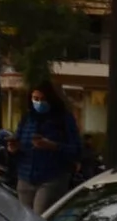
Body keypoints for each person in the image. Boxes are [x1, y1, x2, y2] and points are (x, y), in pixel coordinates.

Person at [15, 81, 83, 210]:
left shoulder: (63, 119)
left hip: (52, 178)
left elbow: (76, 149)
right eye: (36, 99)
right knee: (25, 219)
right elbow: (18, 142)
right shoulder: (27, 119)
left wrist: (53, 146)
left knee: (41, 215)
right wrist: (13, 149)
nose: (39, 103)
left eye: (43, 99)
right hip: (25, 177)